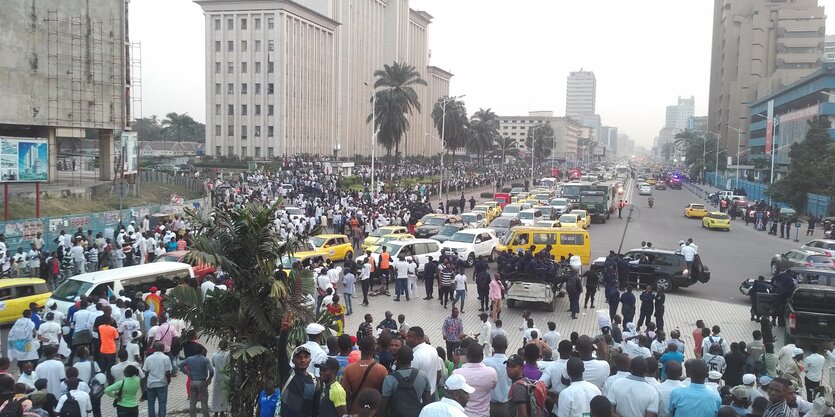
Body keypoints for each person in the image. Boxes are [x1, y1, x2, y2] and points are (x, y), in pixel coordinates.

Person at [380, 346, 431, 417]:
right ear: (412, 358)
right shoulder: (422, 376)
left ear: (397, 358)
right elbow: (427, 402)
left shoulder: (390, 379)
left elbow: (383, 406)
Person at [342, 337, 388, 414]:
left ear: (360, 348)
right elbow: (385, 393)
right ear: (374, 349)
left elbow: (345, 393)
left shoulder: (349, 368)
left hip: (356, 411)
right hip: (374, 412)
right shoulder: (381, 369)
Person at [452, 343, 498, 417]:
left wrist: (456, 365)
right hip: (484, 414)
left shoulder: (458, 373)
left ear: (467, 356)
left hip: (464, 414)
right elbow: (493, 386)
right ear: (482, 357)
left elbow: (451, 385)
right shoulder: (491, 373)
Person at [179, 345, 214, 417]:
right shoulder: (205, 360)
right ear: (202, 351)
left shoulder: (189, 359)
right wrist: (209, 379)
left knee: (192, 401)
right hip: (202, 382)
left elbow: (180, 365)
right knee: (204, 402)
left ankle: (192, 415)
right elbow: (211, 371)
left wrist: (187, 373)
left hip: (192, 381)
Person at [143, 341, 173, 417]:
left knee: (150, 404)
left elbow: (146, 372)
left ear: (153, 349)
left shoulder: (148, 358)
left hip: (150, 384)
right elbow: (167, 372)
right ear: (163, 349)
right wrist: (168, 381)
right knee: (162, 404)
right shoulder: (166, 358)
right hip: (162, 384)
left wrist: (145, 384)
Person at [209, 340, 230, 417]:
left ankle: (216, 412)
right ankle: (223, 411)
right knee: (224, 394)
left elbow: (213, 365)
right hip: (226, 377)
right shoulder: (228, 355)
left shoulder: (214, 355)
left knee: (216, 395)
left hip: (217, 377)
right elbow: (230, 364)